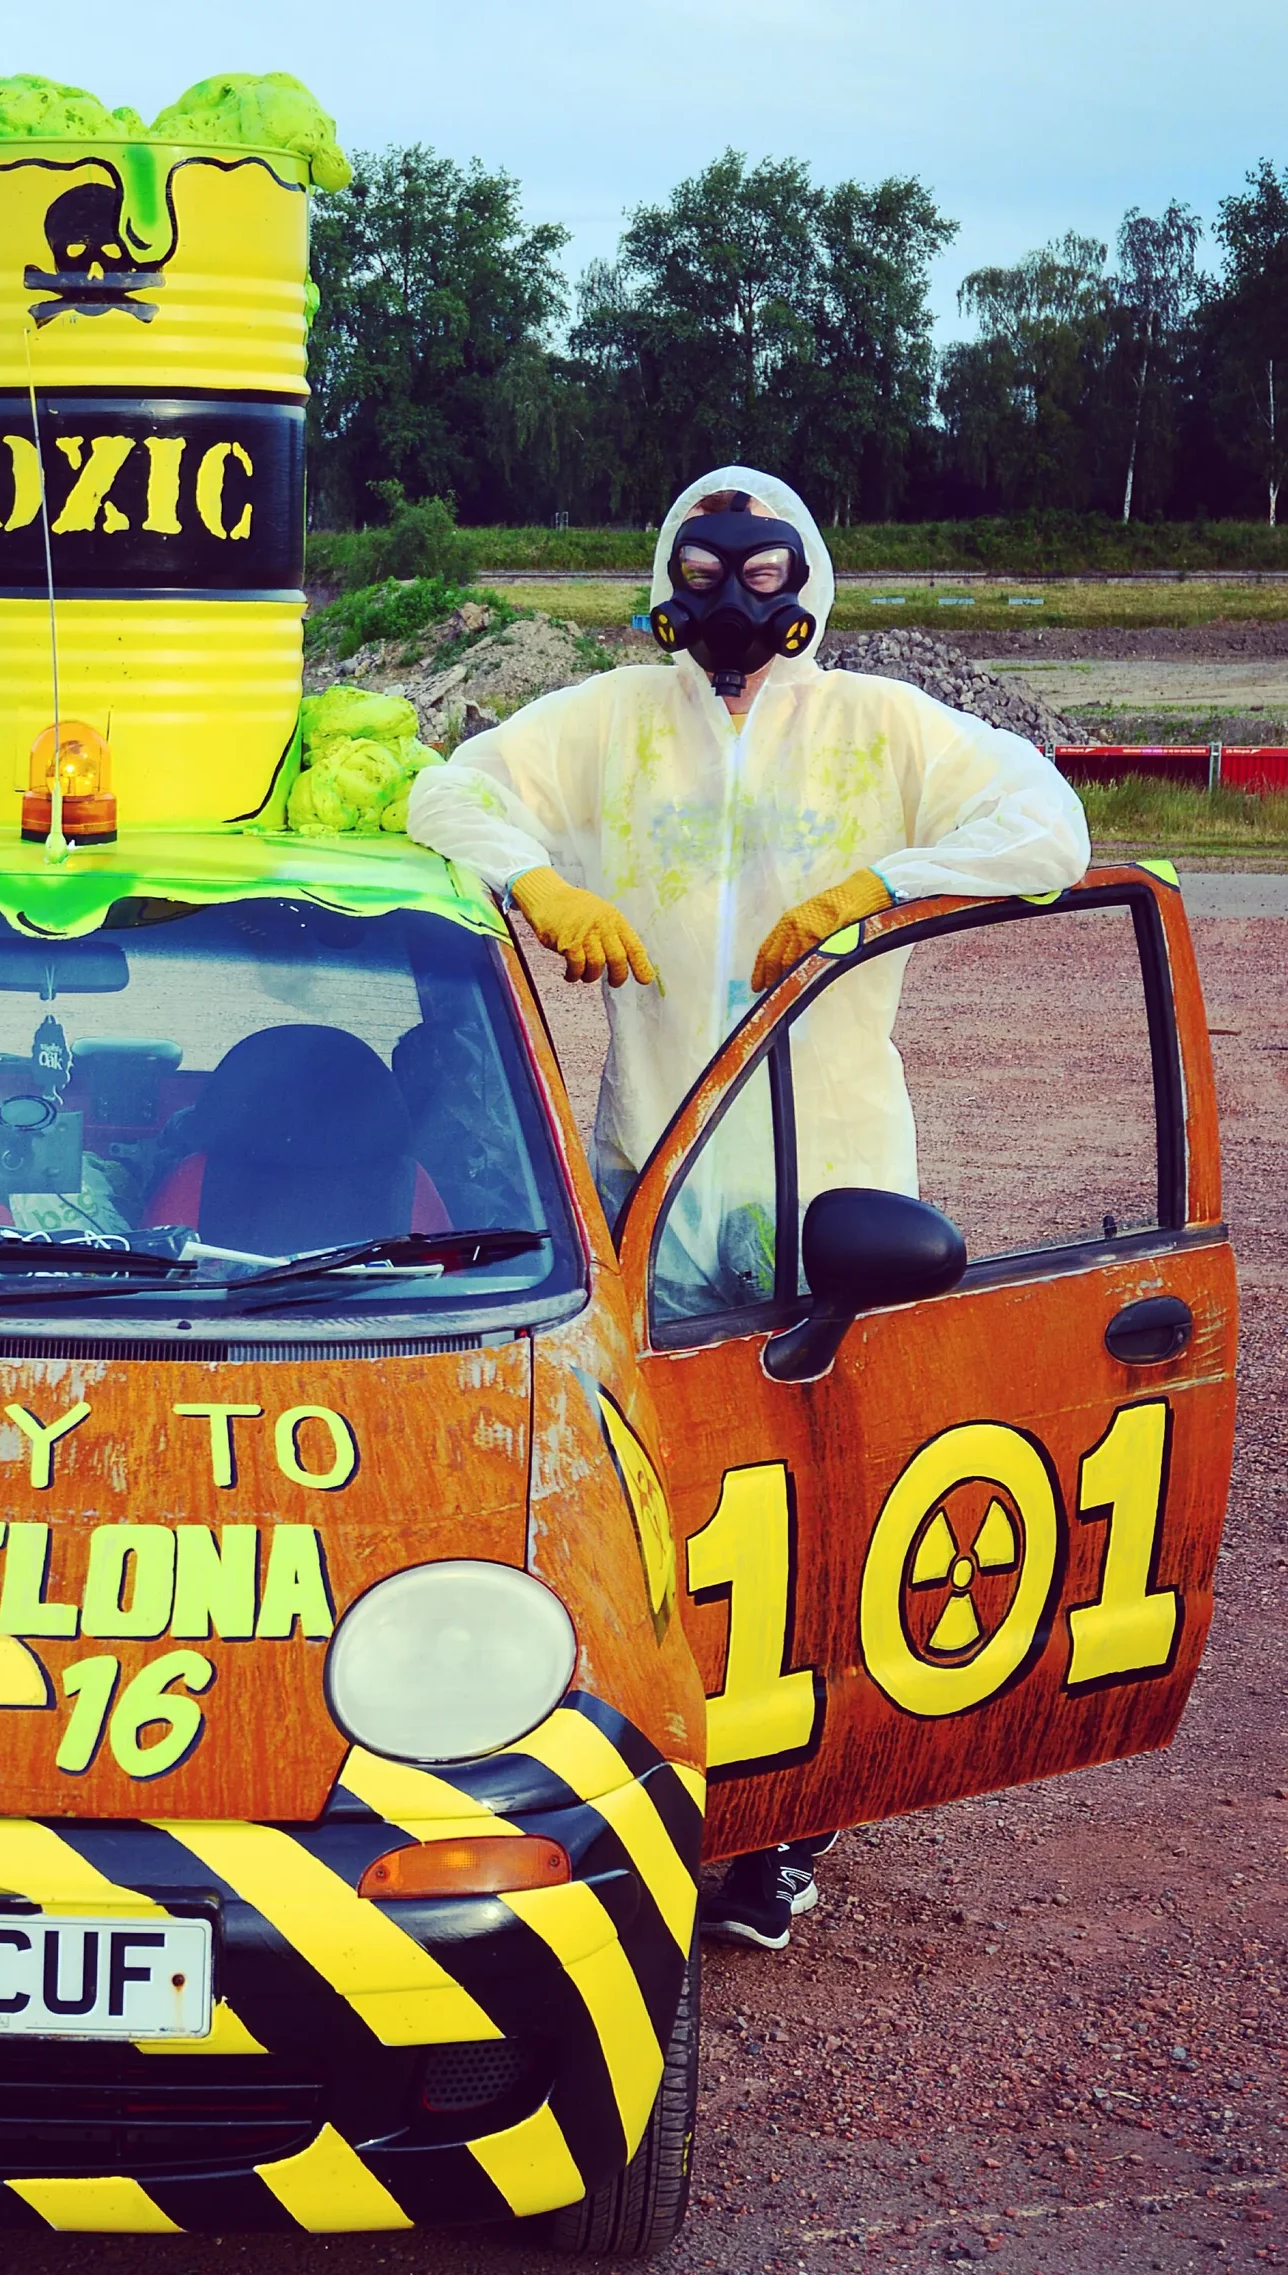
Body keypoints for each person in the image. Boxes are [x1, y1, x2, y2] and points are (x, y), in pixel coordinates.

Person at [405, 463, 1091, 1949]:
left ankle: (790, 1816)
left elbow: (1048, 828)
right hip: (651, 1166)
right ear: (666, 576)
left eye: (764, 572)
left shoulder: (879, 729)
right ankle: (651, 1782)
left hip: (829, 1180)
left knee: (827, 1496)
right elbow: (439, 787)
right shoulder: (608, 723)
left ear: (811, 583)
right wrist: (537, 880)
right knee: (661, 1500)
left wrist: (876, 889)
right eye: (704, 571)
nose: (732, 602)